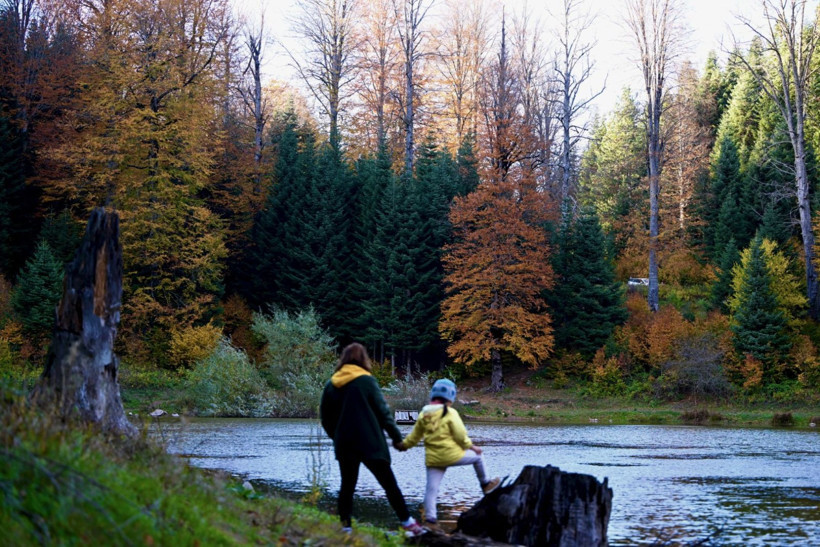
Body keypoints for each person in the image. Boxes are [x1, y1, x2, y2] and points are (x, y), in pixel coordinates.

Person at [319, 342, 426, 537]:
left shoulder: (331, 384)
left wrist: (337, 437)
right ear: (363, 359)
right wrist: (397, 438)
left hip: (345, 444)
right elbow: (383, 412)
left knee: (347, 485)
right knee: (389, 484)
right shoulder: (366, 381)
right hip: (370, 442)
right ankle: (408, 523)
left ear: (343, 359)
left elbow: (325, 418)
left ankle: (345, 527)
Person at [397, 379, 500, 530]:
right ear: (450, 397)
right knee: (478, 457)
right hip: (452, 456)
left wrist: (403, 445)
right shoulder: (451, 413)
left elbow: (414, 437)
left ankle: (430, 521)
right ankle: (486, 484)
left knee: (431, 489)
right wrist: (472, 446)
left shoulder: (424, 414)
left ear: (433, 394)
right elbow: (460, 435)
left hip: (433, 459)